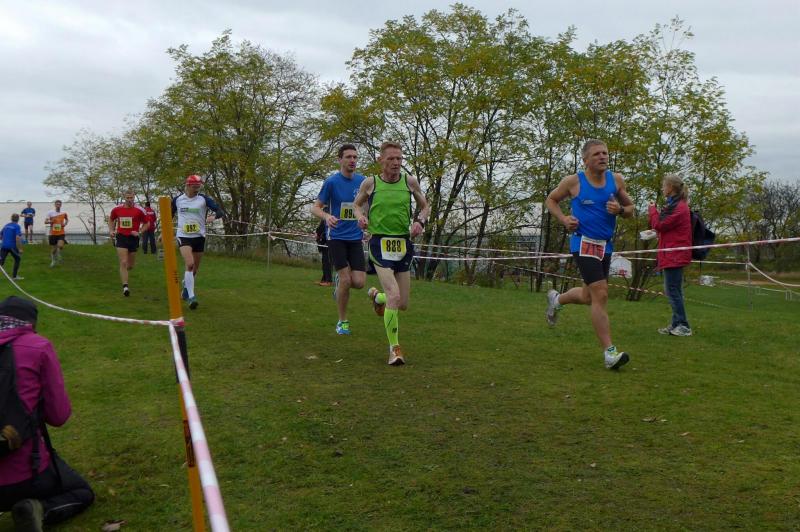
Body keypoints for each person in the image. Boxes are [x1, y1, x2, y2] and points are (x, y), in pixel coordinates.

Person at [0, 296, 95, 530]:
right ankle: (40, 509)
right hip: (26, 474)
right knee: (81, 491)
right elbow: (58, 416)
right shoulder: (38, 346)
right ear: (31, 323)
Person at [544, 139, 635, 370]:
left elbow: (631, 210)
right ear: (585, 159)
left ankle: (557, 300)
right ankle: (609, 353)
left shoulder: (616, 180)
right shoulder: (573, 182)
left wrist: (620, 210)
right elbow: (551, 200)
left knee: (588, 297)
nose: (602, 157)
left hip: (605, 245)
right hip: (583, 243)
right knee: (601, 294)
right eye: (596, 154)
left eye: (605, 153)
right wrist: (564, 219)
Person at [353, 141, 429, 365]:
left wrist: (420, 222)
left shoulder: (409, 182)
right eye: (391, 159)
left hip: (403, 243)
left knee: (402, 303)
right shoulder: (371, 183)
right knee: (394, 296)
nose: (396, 163)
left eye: (399, 159)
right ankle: (394, 349)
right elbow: (356, 205)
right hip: (379, 243)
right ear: (381, 160)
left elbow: (425, 206)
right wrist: (360, 217)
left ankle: (377, 297)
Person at [310, 144, 366, 335]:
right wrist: (327, 217)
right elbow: (315, 207)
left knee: (359, 282)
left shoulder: (362, 182)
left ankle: (339, 283)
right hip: (336, 237)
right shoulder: (332, 182)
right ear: (340, 160)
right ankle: (342, 322)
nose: (352, 160)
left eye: (355, 157)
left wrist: (366, 221)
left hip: (355, 237)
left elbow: (367, 206)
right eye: (348, 157)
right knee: (346, 279)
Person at [648, 174, 693, 336]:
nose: (662, 189)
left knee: (672, 290)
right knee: (674, 290)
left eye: (664, 186)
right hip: (672, 252)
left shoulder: (678, 207)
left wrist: (652, 210)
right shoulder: (674, 205)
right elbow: (666, 228)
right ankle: (676, 324)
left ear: (671, 188)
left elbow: (659, 224)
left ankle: (683, 325)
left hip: (675, 254)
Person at [171, 175, 224, 310]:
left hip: (199, 237)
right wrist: (164, 232)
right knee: (189, 264)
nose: (197, 189)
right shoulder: (178, 200)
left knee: (194, 270)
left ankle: (186, 288)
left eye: (198, 187)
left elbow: (220, 211)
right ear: (188, 186)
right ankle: (192, 297)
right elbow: (169, 215)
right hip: (184, 236)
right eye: (195, 187)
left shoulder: (203, 199)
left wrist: (214, 216)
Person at [109, 191, 149, 297]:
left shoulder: (140, 210)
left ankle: (126, 271)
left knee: (130, 265)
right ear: (124, 198)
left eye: (131, 197)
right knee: (123, 261)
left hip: (133, 238)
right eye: (127, 198)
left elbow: (147, 223)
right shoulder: (117, 209)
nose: (129, 199)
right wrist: (111, 230)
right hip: (121, 237)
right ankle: (125, 287)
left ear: (134, 197)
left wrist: (139, 232)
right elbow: (111, 219)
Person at [0, 214, 24, 280]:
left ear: (11, 218)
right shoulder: (17, 226)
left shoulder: (6, 225)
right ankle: (14, 276)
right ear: (18, 219)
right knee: (17, 259)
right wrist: (20, 248)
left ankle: (14, 276)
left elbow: (0, 235)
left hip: (4, 246)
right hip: (12, 246)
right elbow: (17, 237)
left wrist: (5, 239)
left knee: (1, 261)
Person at [45, 201, 68, 268]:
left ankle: (58, 254)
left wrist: (65, 224)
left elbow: (67, 220)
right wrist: (50, 221)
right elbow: (45, 221)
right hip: (53, 233)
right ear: (55, 205)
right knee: (54, 250)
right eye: (57, 204)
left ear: (61, 205)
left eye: (59, 204)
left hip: (61, 232)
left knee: (60, 246)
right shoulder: (50, 213)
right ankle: (53, 261)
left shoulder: (64, 213)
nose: (58, 205)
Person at [315, 217, 333, 287]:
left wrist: (319, 234)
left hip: (328, 241)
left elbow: (324, 229)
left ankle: (329, 280)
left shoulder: (328, 218)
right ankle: (324, 279)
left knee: (327, 261)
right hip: (324, 241)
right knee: (324, 261)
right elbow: (320, 228)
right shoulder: (324, 218)